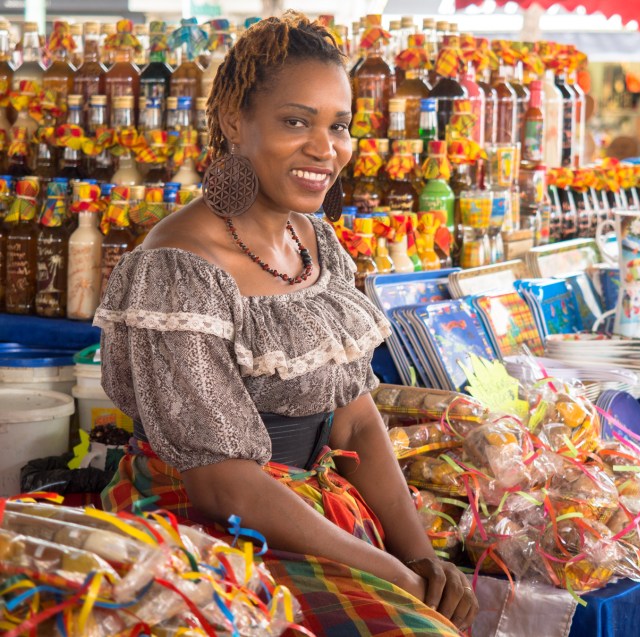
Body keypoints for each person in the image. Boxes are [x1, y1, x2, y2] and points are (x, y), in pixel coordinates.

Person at [96, 12, 477, 636]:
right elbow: (225, 488)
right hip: (208, 533)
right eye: (295, 122)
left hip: (309, 516)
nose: (325, 149)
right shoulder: (178, 268)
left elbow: (353, 414)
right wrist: (397, 579)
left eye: (339, 126)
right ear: (232, 122)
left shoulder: (316, 241)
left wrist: (420, 555)